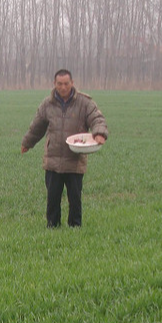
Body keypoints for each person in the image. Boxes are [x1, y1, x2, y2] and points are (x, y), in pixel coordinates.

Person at [21, 69, 108, 228]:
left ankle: (75, 226)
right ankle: (52, 226)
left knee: (75, 198)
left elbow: (97, 118)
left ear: (72, 83)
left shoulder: (84, 103)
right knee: (52, 197)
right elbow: (37, 126)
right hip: (53, 160)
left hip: (75, 160)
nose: (63, 87)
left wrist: (99, 133)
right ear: (54, 84)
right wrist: (27, 143)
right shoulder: (47, 104)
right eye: (59, 84)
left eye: (66, 84)